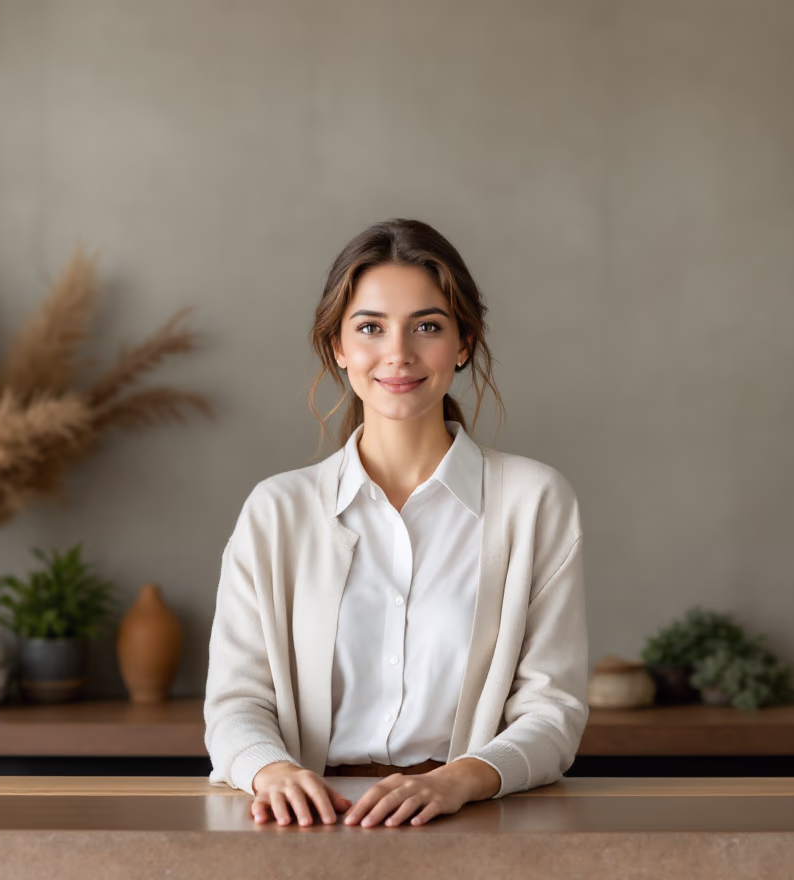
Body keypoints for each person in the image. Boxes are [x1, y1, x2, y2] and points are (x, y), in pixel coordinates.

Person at [203, 218, 588, 829]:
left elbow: (552, 712)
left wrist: (457, 781)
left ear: (464, 343)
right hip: (308, 827)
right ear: (338, 346)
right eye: (370, 328)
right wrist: (270, 770)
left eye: (427, 326)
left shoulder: (534, 501)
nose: (398, 354)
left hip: (471, 823)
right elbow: (236, 702)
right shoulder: (277, 510)